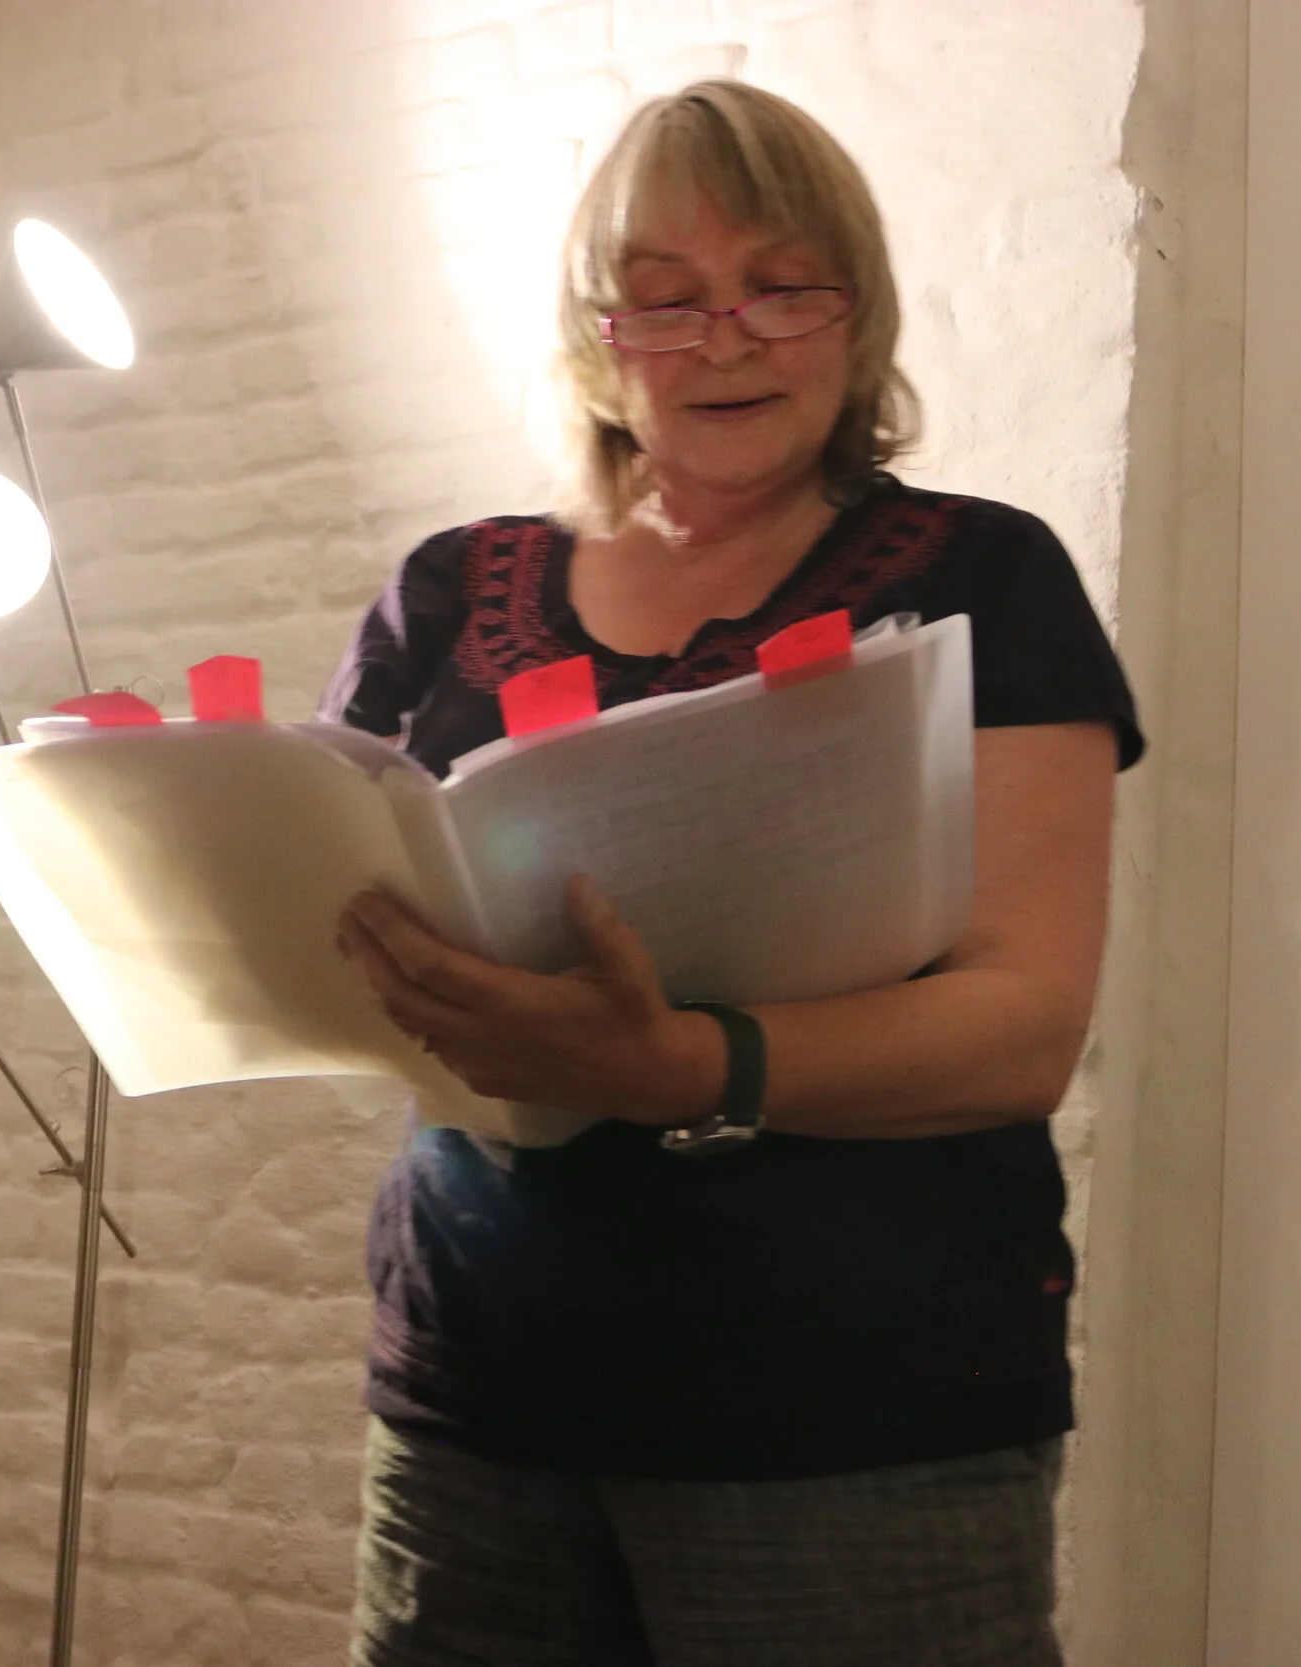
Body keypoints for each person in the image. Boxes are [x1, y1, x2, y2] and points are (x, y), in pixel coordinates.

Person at [320, 81, 1143, 1667]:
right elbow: (340, 907)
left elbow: (1022, 1026)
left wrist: (677, 1064)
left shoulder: (984, 575)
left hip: (857, 1414)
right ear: (599, 338)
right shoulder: (449, 586)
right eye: (665, 298)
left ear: (858, 313)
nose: (725, 340)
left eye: (782, 286)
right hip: (478, 1389)